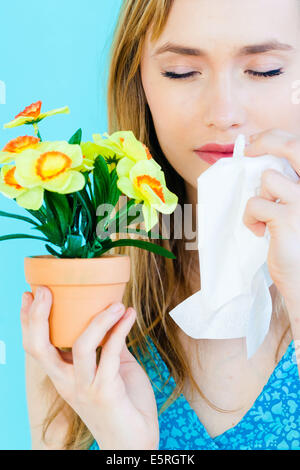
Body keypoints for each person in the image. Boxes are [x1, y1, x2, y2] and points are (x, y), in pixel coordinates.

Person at [21, 0, 300, 450]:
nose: (223, 112)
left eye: (265, 70)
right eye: (181, 72)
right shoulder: (83, 298)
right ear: (140, 83)